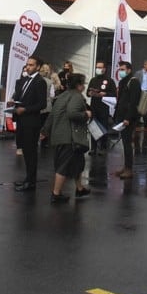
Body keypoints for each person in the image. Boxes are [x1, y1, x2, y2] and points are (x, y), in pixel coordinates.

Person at [42, 72, 93, 202]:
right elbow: (72, 113)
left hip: (59, 135)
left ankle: (79, 188)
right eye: (83, 83)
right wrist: (86, 114)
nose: (84, 86)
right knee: (64, 165)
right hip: (70, 137)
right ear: (79, 85)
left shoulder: (62, 96)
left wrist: (44, 131)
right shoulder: (76, 97)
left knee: (78, 163)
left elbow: (52, 115)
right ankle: (56, 193)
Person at [10, 55, 47, 192]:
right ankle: (27, 178)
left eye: (31, 65)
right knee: (24, 150)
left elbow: (41, 104)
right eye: (27, 64)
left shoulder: (39, 82)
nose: (28, 67)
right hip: (21, 120)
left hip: (31, 122)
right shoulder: (24, 80)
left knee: (31, 152)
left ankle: (31, 181)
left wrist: (25, 109)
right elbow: (21, 97)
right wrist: (14, 103)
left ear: (37, 67)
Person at [113, 61, 141, 179]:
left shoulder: (133, 82)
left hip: (128, 118)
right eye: (120, 69)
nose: (121, 71)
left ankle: (129, 169)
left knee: (128, 143)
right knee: (125, 143)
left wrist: (128, 118)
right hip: (121, 116)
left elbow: (134, 102)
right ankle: (125, 167)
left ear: (129, 70)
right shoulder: (123, 82)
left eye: (123, 69)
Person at [87, 60, 116, 154]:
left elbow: (114, 94)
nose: (98, 69)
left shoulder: (109, 81)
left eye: (100, 67)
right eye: (97, 67)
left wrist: (105, 93)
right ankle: (93, 147)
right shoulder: (93, 80)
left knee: (103, 127)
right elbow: (88, 92)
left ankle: (102, 147)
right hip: (94, 106)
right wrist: (90, 93)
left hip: (104, 107)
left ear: (104, 69)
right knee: (93, 127)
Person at [134, 59, 147, 131]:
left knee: (146, 110)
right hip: (140, 93)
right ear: (144, 65)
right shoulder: (138, 73)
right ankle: (137, 126)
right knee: (139, 110)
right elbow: (135, 83)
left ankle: (146, 126)